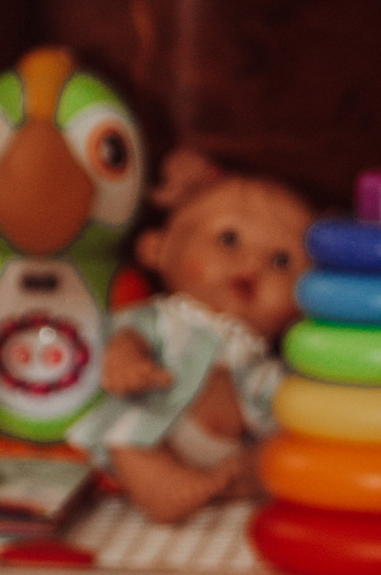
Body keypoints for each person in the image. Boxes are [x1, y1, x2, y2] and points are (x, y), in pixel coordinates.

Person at [74, 149, 311, 524]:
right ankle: (161, 487)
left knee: (277, 454)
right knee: (125, 438)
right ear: (159, 248)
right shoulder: (169, 319)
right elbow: (128, 335)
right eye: (229, 240)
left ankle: (230, 483)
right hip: (159, 431)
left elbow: (281, 397)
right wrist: (126, 360)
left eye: (282, 261)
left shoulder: (255, 355)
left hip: (233, 447)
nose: (251, 265)